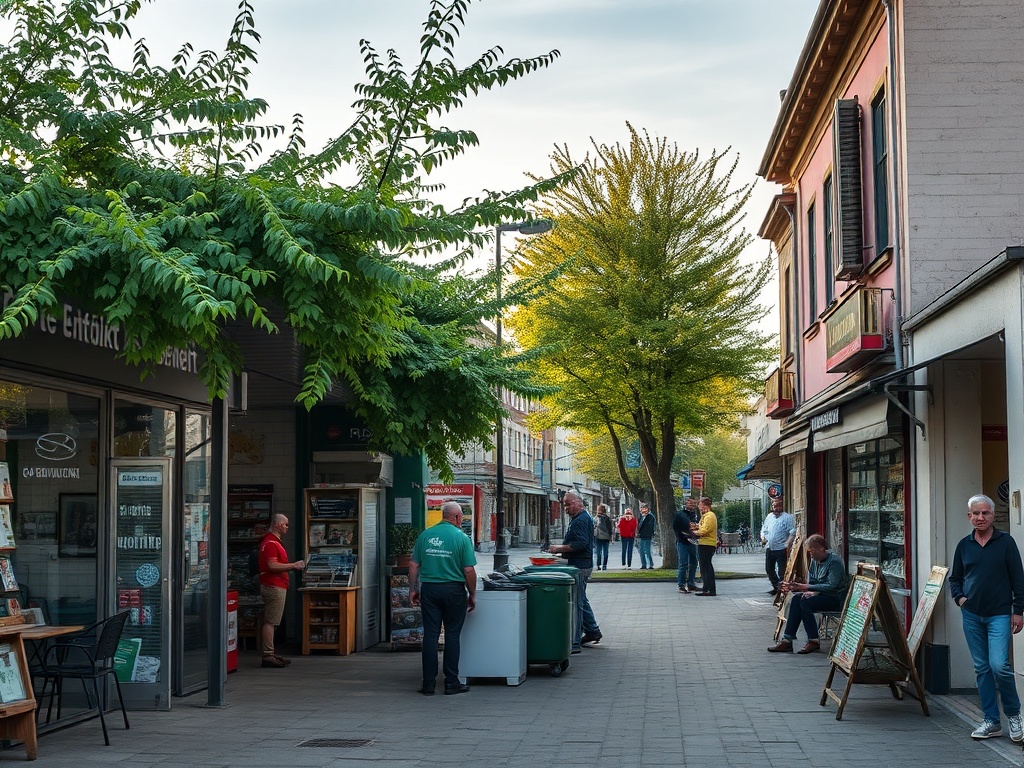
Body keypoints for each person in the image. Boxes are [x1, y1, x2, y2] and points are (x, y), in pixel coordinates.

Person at [949, 494, 1024, 742]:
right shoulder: (964, 545)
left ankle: (1014, 715)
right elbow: (955, 578)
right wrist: (960, 599)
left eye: (986, 513)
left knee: (999, 666)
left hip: (1000, 615)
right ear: (969, 516)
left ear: (993, 515)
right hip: (971, 615)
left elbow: (1018, 580)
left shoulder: (1006, 542)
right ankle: (991, 721)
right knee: (981, 668)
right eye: (976, 513)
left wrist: (1018, 611)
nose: (981, 518)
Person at [409, 501, 477, 696]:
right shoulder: (461, 538)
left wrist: (413, 589)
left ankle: (428, 683)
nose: (461, 520)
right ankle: (451, 682)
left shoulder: (425, 535)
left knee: (430, 635)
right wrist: (472, 593)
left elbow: (414, 565)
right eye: (461, 517)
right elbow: (468, 570)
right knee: (452, 635)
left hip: (430, 590)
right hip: (454, 590)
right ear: (456, 517)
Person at [767, 534, 848, 654]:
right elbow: (813, 581)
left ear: (821, 548)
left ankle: (813, 640)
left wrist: (808, 588)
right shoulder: (815, 561)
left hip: (835, 598)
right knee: (796, 599)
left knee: (805, 603)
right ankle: (787, 639)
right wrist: (807, 590)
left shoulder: (834, 562)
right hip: (821, 594)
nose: (811, 554)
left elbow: (832, 586)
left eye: (812, 551)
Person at [548, 491, 602, 647]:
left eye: (567, 504)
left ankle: (580, 636)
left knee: (579, 600)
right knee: (581, 598)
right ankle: (592, 630)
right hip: (582, 563)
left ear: (578, 503)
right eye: (564, 504)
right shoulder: (582, 517)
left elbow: (581, 544)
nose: (565, 508)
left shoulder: (579, 520)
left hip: (580, 565)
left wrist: (559, 548)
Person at [258, 514, 305, 668]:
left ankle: (270, 652)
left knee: (273, 620)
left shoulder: (273, 542)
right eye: (285, 525)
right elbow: (272, 565)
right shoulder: (271, 543)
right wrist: (293, 565)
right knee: (271, 621)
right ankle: (268, 654)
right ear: (278, 524)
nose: (287, 528)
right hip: (273, 586)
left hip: (276, 585)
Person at [761, 498, 796, 595]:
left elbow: (792, 531)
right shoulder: (769, 517)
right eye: (774, 506)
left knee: (782, 570)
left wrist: (787, 544)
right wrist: (763, 537)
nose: (775, 509)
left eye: (777, 506)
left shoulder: (787, 517)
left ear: (781, 506)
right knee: (769, 568)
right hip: (770, 547)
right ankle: (776, 586)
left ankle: (782, 588)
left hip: (781, 548)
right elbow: (764, 528)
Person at [692, 497, 718, 596]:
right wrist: (696, 527)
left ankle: (710, 589)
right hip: (704, 543)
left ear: (705, 505)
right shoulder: (706, 516)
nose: (699, 507)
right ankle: (706, 587)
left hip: (707, 544)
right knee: (704, 566)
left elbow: (705, 530)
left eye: (700, 504)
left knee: (706, 566)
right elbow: (702, 527)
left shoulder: (710, 516)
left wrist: (694, 533)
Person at [672, 499, 699, 592]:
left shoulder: (695, 515)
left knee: (694, 562)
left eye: (693, 503)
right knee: (683, 563)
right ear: (686, 504)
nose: (691, 505)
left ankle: (691, 583)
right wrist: (681, 535)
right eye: (690, 503)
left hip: (692, 541)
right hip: (683, 541)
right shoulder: (680, 514)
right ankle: (681, 584)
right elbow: (675, 526)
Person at [594, 504, 614, 571]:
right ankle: (604, 565)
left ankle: (598, 565)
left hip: (598, 537)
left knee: (598, 552)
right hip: (606, 537)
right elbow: (610, 528)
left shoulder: (596, 518)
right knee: (605, 552)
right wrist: (610, 536)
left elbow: (593, 527)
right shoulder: (607, 518)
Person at [636, 504, 657, 570]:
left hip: (647, 536)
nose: (642, 510)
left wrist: (650, 533)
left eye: (644, 508)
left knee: (647, 551)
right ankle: (643, 564)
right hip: (641, 536)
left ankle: (650, 564)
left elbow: (650, 527)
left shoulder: (650, 517)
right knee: (641, 551)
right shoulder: (641, 517)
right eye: (642, 508)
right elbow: (639, 526)